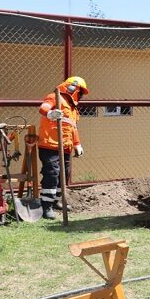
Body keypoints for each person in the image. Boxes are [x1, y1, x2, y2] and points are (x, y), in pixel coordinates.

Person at [37, 76, 88, 219]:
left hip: (65, 147)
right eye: (80, 91)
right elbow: (43, 107)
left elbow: (73, 128)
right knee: (52, 174)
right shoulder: (55, 97)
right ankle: (46, 206)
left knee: (63, 175)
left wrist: (77, 144)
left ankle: (57, 200)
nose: (81, 95)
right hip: (50, 145)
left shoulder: (73, 108)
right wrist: (50, 114)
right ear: (72, 88)